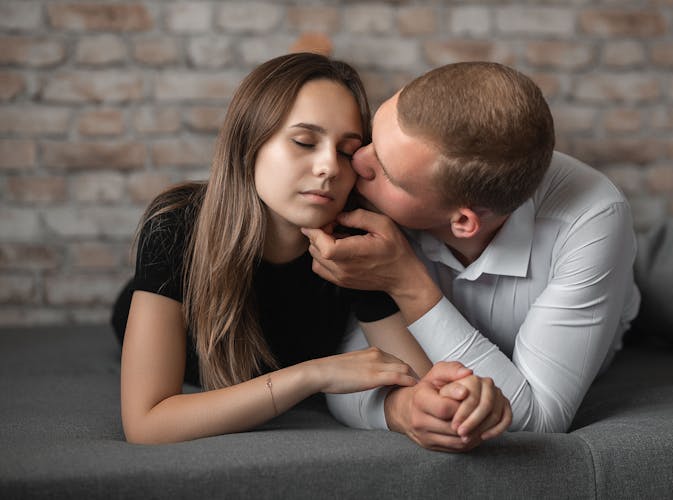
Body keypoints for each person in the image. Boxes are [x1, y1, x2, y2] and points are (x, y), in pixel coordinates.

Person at [110, 53, 512, 444]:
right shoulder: (175, 225)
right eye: (304, 142)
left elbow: (415, 377)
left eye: (345, 151)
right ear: (248, 144)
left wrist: (453, 400)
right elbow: (147, 423)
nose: (329, 168)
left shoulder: (350, 244)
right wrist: (314, 375)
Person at [303, 62, 641, 452]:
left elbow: (539, 420)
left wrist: (405, 281)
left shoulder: (592, 216)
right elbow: (347, 368)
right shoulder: (367, 196)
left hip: (605, 308)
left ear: (463, 221)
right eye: (373, 137)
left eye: (388, 174)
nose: (357, 160)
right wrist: (402, 409)